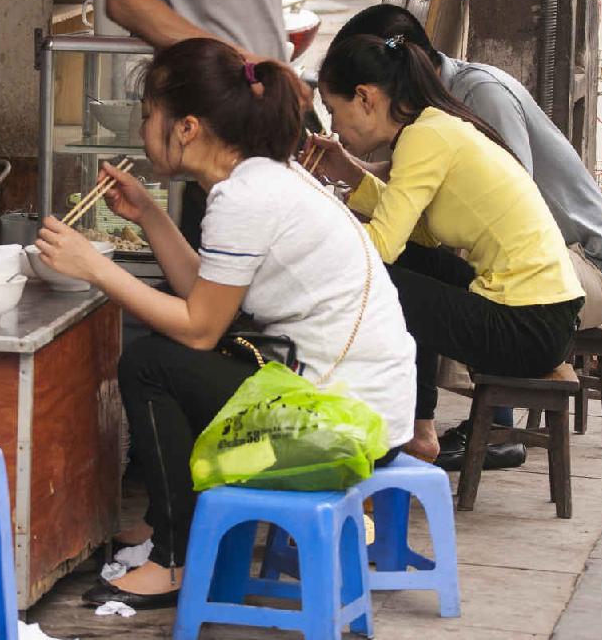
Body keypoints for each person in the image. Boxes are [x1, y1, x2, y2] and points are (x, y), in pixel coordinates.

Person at [36, 38, 416, 608]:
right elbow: (208, 297)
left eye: (148, 118)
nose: (143, 132)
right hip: (363, 405)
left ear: (187, 127)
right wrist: (152, 217)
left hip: (340, 424)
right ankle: (178, 520)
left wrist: (93, 266)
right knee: (183, 357)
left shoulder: (245, 198)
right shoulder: (262, 178)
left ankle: (175, 555)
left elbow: (198, 327)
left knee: (151, 363)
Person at [328, 4, 602, 469]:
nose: (334, 128)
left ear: (366, 99)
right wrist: (346, 178)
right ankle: (417, 428)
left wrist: (315, 234)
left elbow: (382, 248)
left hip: (529, 325)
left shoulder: (423, 139)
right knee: (405, 265)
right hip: (542, 315)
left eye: (335, 110)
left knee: (375, 281)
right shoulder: (434, 128)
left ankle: (402, 428)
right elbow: (421, 234)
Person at [107, 0, 335, 247]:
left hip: (268, 103)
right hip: (218, 114)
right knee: (219, 273)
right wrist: (242, 61)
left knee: (270, 264)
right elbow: (125, 0)